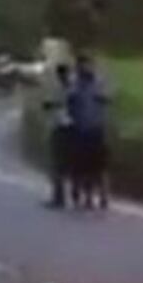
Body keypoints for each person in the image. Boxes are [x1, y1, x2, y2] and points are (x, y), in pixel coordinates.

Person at [66, 54, 110, 210]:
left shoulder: (98, 83)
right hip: (80, 129)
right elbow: (69, 103)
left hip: (96, 129)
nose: (86, 68)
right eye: (83, 66)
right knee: (81, 167)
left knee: (99, 166)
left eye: (89, 65)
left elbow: (106, 99)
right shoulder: (74, 84)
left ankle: (103, 195)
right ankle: (85, 196)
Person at [41, 62, 74, 209]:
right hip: (71, 128)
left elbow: (50, 105)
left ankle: (59, 196)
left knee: (58, 165)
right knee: (65, 165)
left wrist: (51, 105)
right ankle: (67, 195)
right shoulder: (72, 88)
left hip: (63, 128)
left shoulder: (64, 90)